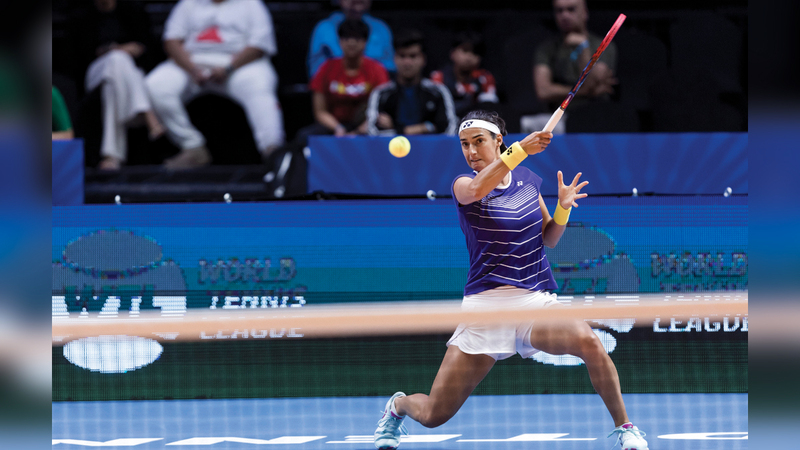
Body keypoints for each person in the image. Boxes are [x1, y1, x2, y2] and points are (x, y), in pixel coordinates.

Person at [372, 111, 649, 450]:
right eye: (465, 144)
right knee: (434, 414)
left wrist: (563, 208)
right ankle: (399, 405)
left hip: (533, 301)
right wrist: (520, 150)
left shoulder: (528, 182)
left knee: (590, 343)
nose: (471, 151)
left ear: (497, 140)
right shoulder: (463, 185)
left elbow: (549, 238)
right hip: (486, 308)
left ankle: (625, 428)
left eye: (479, 142)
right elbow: (477, 188)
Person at [145, 0, 284, 169]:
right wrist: (192, 69)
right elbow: (171, 41)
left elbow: (259, 45)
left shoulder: (251, 4)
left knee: (259, 86)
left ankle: (273, 153)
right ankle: (193, 148)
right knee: (156, 85)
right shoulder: (188, 4)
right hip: (193, 62)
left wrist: (229, 68)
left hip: (238, 63)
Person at [69, 0, 164, 170]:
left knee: (112, 84)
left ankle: (112, 156)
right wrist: (113, 51)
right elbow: (78, 57)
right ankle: (146, 113)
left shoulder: (133, 10)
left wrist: (128, 50)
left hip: (129, 74)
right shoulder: (81, 16)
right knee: (116, 59)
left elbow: (146, 48)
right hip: (96, 72)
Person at [527, 0, 618, 133]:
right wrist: (585, 92)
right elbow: (543, 91)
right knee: (526, 125)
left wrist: (583, 47)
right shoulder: (546, 49)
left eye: (571, 9)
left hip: (596, 117)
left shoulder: (604, 45)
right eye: (559, 11)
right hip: (559, 118)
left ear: (585, 13)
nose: (564, 15)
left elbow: (590, 82)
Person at [307, 17, 389, 137]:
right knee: (304, 136)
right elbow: (320, 111)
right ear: (339, 41)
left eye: (357, 39)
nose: (351, 43)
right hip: (334, 126)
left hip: (366, 126)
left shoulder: (377, 69)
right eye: (346, 38)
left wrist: (360, 130)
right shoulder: (326, 68)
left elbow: (382, 107)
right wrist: (338, 129)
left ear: (365, 42)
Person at [366, 29, 457, 136]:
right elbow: (373, 132)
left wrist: (396, 128)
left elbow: (450, 130)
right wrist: (426, 127)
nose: (407, 62)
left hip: (429, 147)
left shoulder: (438, 92)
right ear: (394, 58)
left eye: (413, 56)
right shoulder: (381, 94)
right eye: (402, 56)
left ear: (423, 59)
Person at [307, 0, 395, 80]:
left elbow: (390, 69)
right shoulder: (324, 28)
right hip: (335, 88)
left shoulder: (381, 28)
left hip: (374, 87)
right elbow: (316, 74)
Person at [430, 32, 499, 118]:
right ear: (452, 53)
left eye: (475, 53)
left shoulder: (485, 78)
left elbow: (489, 108)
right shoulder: (438, 77)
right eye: (465, 51)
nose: (469, 57)